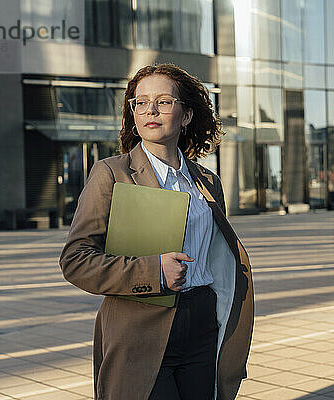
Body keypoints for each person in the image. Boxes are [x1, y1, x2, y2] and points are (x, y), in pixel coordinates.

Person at [59, 63, 254, 400]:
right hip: (140, 330)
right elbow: (76, 261)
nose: (150, 110)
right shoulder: (112, 174)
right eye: (140, 102)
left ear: (186, 115)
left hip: (202, 323)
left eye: (164, 101)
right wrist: (154, 271)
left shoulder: (207, 182)